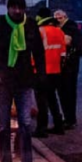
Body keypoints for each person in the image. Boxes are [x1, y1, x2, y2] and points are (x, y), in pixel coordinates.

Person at [0, 0, 45, 162]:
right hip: (3, 81)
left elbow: (39, 53)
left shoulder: (31, 26)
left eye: (20, 7)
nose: (17, 11)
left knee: (26, 124)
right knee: (4, 126)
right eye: (13, 7)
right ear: (8, 7)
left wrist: (41, 76)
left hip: (24, 81)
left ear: (24, 8)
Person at [34, 7, 66, 138]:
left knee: (41, 101)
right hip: (56, 71)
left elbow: (34, 54)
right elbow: (63, 53)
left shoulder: (39, 31)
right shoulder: (59, 31)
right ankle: (59, 126)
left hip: (41, 72)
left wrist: (31, 69)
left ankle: (41, 129)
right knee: (52, 99)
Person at [54, 9, 82, 129]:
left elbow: (75, 45)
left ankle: (70, 119)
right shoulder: (67, 28)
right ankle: (69, 118)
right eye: (56, 18)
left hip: (69, 66)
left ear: (65, 17)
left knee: (68, 93)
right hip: (65, 66)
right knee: (64, 93)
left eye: (60, 18)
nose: (58, 20)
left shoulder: (70, 29)